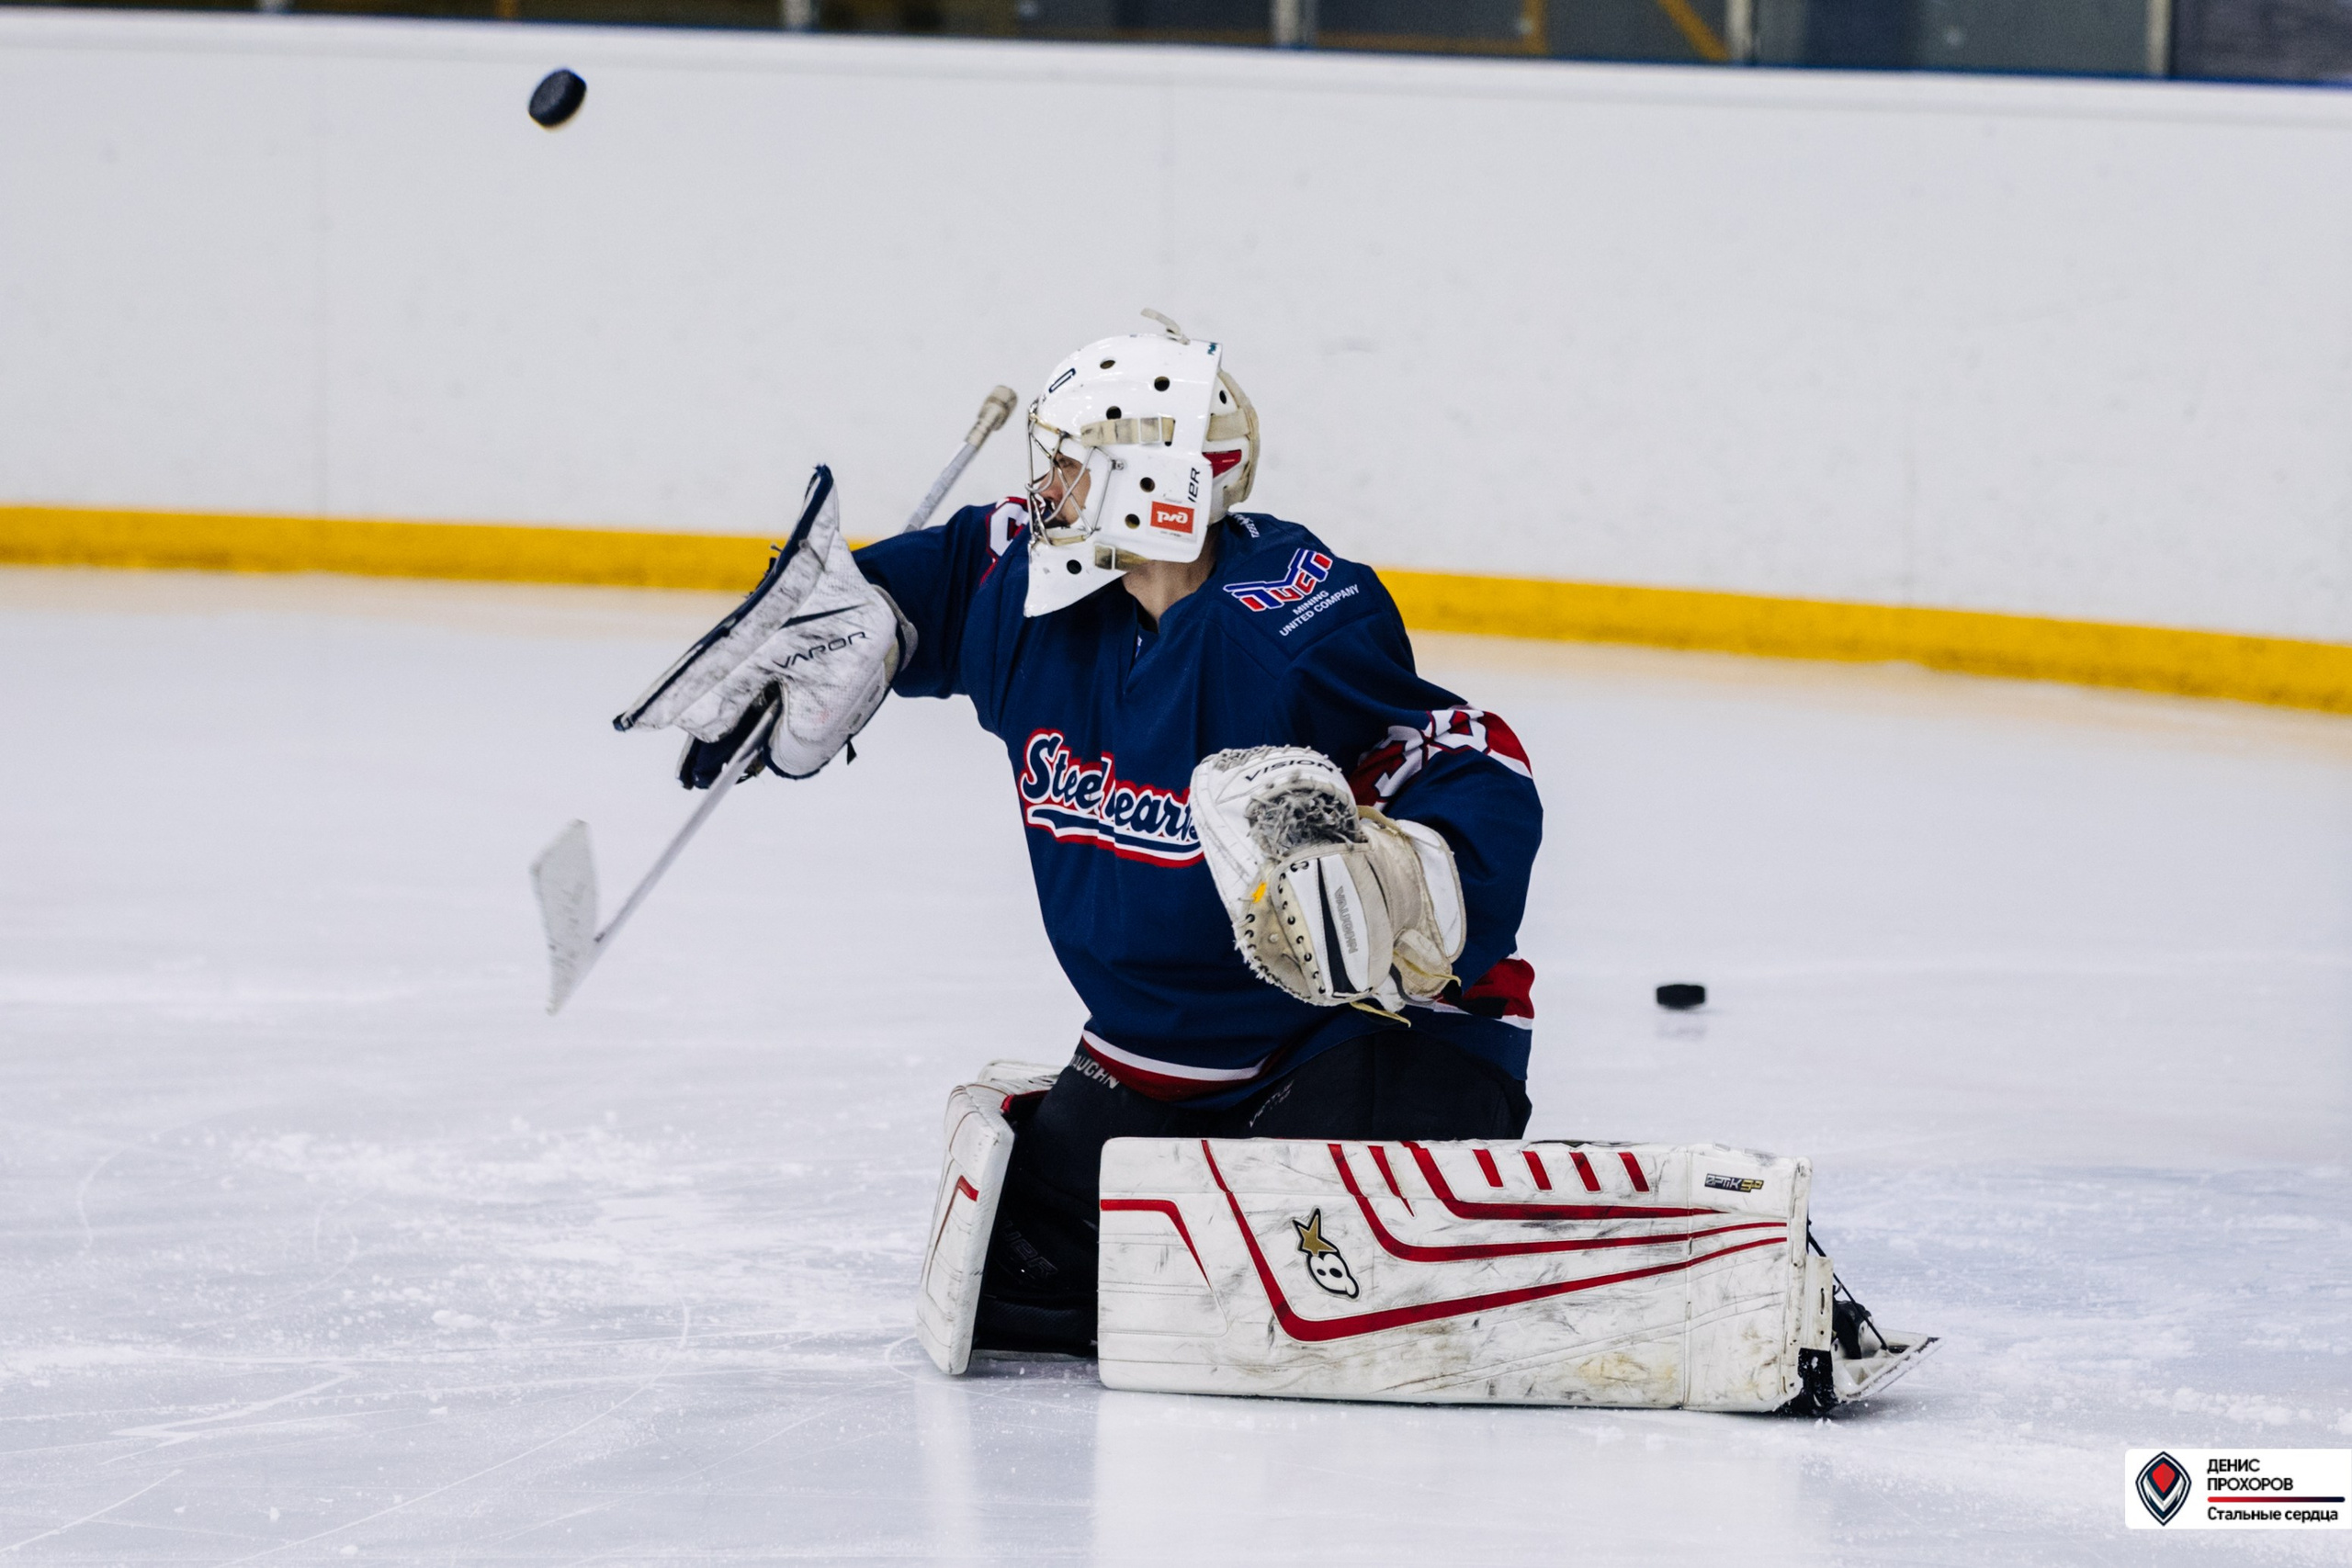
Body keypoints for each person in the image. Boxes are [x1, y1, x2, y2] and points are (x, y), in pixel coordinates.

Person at [632, 315, 1544, 1356]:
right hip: (1156, 1055)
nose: (1043, 492)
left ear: (1153, 486)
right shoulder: (1029, 588)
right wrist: (865, 612)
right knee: (1015, 1286)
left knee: (1295, 1285)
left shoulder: (1285, 626)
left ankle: (1444, 1218)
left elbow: (1471, 756)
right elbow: (939, 577)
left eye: (1071, 467)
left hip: (1356, 1039)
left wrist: (1408, 875)